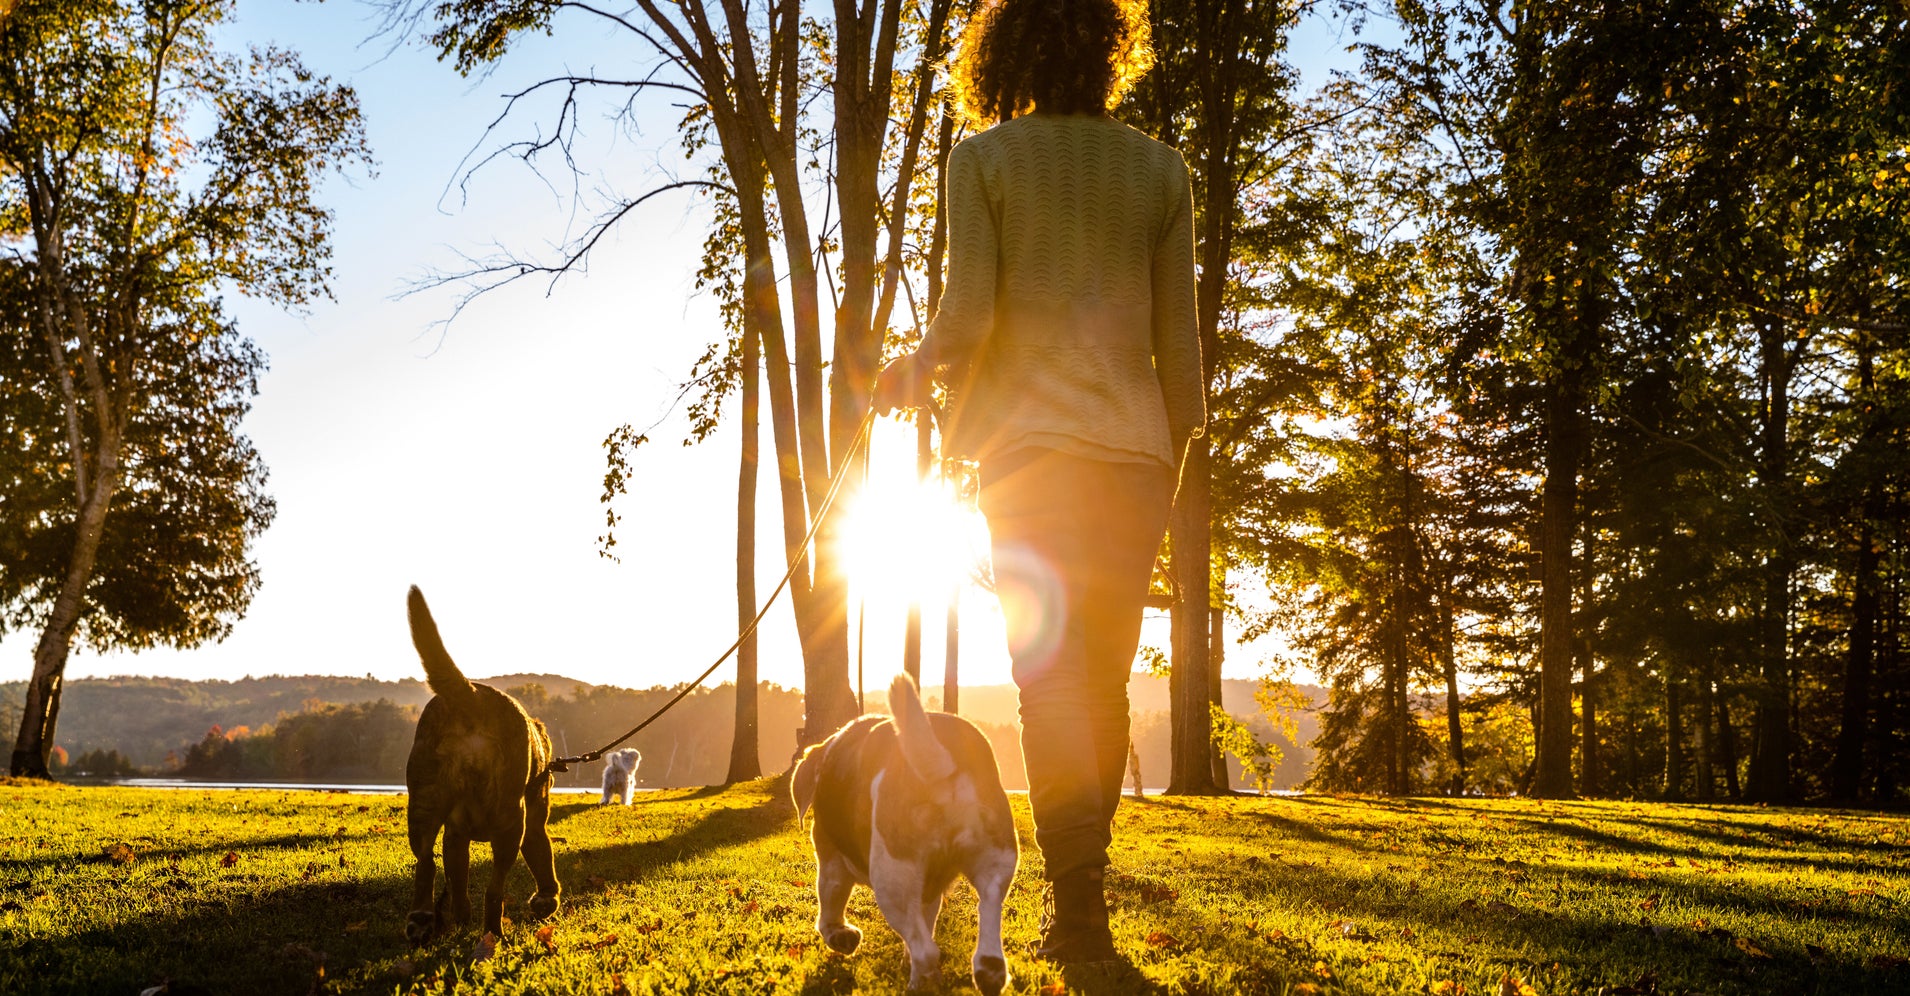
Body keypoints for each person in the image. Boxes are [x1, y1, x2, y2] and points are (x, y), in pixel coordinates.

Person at [874, 0, 1203, 964]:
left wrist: (911, 369)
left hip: (1029, 456)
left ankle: (1082, 909)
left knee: (1049, 684)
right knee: (1095, 685)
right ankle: (1079, 896)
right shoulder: (1159, 170)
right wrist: (1170, 470)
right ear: (1111, 51)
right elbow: (1180, 354)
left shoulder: (982, 161)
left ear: (1004, 54)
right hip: (1137, 459)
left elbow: (967, 318)